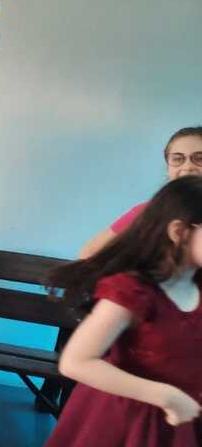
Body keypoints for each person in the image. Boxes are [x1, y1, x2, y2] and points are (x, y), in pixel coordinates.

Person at [44, 175, 202, 446]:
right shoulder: (133, 290)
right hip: (127, 424)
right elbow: (76, 362)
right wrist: (168, 397)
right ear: (180, 232)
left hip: (184, 421)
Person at [78, 127, 202, 259]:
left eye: (199, 158)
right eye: (177, 159)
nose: (187, 167)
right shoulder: (146, 212)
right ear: (168, 168)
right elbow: (88, 253)